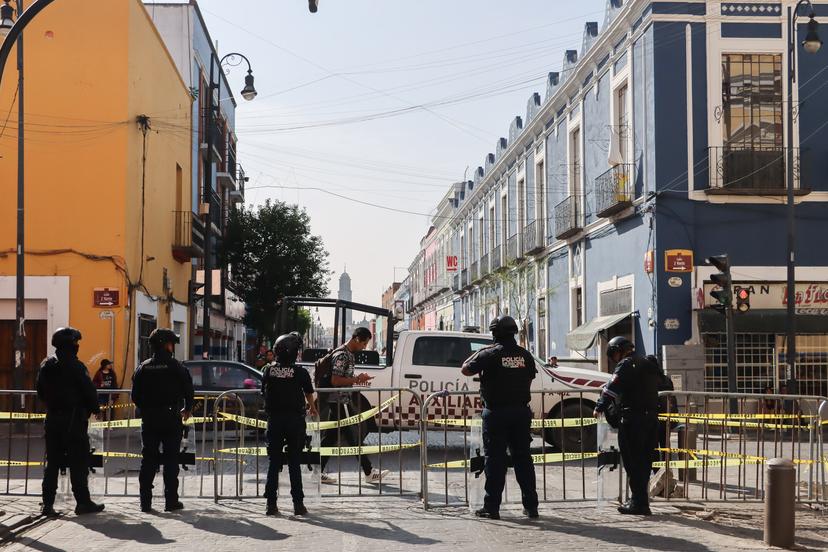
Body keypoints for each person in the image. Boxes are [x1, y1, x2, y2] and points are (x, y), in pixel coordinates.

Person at [461, 316, 539, 520]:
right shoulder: (525, 355)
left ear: (494, 333)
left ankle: (491, 507)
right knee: (523, 459)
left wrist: (480, 351)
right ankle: (531, 506)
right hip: (521, 412)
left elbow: (466, 369)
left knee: (495, 460)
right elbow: (530, 377)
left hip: (496, 413)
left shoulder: (489, 353)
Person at [36, 327, 105, 516]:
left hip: (52, 420)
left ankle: (47, 504)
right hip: (73, 421)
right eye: (76, 343)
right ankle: (83, 502)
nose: (77, 346)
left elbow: (40, 391)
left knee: (53, 464)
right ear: (70, 345)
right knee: (78, 462)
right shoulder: (76, 366)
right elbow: (89, 391)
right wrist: (95, 409)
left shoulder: (46, 365)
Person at [593, 337, 661, 515]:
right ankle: (641, 501)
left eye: (614, 354)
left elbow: (611, 388)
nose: (615, 359)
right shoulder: (648, 362)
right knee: (645, 462)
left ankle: (639, 503)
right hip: (651, 419)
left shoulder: (625, 364)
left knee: (633, 462)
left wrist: (600, 406)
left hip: (633, 420)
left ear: (619, 350)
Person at [132, 328, 194, 513]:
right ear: (166, 345)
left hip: (149, 419)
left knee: (148, 459)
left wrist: (147, 407)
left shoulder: (143, 367)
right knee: (170, 460)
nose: (172, 346)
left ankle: (145, 502)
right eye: (172, 343)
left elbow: (135, 395)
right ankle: (171, 501)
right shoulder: (176, 366)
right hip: (170, 418)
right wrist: (188, 408)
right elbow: (188, 389)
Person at [319, 327, 389, 484]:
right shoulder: (343, 355)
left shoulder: (347, 354)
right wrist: (356, 380)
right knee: (352, 435)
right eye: (364, 343)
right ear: (357, 339)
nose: (364, 347)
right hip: (339, 400)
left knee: (331, 438)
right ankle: (369, 471)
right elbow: (335, 381)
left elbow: (342, 377)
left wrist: (357, 379)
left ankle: (316, 470)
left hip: (340, 400)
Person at [262, 332, 318, 515]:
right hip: (294, 421)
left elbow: (264, 392)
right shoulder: (300, 372)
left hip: (275, 420)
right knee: (294, 461)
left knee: (273, 462)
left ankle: (271, 504)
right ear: (293, 353)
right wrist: (312, 407)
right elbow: (309, 393)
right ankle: (298, 504)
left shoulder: (268, 371)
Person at [647, 354, 677, 474]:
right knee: (665, 446)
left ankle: (657, 473)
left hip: (653, 418)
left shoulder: (648, 379)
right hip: (667, 418)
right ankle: (666, 472)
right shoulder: (666, 379)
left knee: (653, 447)